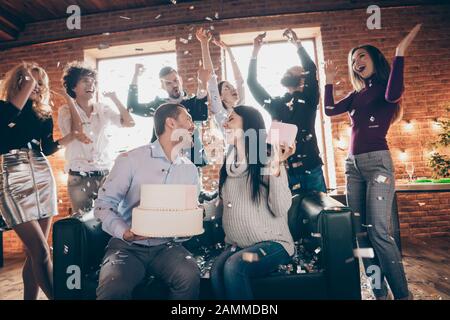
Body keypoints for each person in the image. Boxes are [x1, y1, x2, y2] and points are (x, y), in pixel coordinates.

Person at [324, 24, 422, 300]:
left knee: (379, 233)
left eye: (362, 57)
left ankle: (403, 296)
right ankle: (380, 294)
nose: (356, 63)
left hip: (378, 165)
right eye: (353, 60)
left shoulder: (384, 89)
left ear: (375, 60)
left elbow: (394, 93)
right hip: (352, 166)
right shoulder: (356, 95)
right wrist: (329, 80)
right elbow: (330, 110)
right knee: (360, 235)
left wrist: (400, 52)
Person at [94, 103, 201, 300]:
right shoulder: (131, 159)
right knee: (113, 286)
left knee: (190, 275)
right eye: (188, 119)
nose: (193, 126)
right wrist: (124, 232)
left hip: (167, 247)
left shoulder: (190, 170)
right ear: (170, 123)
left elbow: (187, 217)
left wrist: (193, 217)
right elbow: (103, 205)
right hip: (127, 247)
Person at [0, 62, 77, 299]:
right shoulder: (4, 108)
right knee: (41, 250)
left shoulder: (42, 113)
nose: (37, 86)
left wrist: (69, 138)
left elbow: (48, 147)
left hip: (43, 177)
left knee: (36, 253)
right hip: (13, 177)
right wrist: (27, 80)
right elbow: (9, 117)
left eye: (40, 82)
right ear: (19, 82)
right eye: (31, 80)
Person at [206, 105, 295, 300]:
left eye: (231, 119)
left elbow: (280, 208)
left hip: (274, 243)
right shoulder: (229, 165)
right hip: (239, 244)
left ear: (249, 126)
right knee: (216, 271)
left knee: (234, 266)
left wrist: (278, 165)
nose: (224, 123)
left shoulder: (267, 159)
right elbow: (226, 204)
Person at [248, 29, 326, 195]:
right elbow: (252, 83)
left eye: (292, 71)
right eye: (286, 71)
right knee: (289, 218)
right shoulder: (276, 104)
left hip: (312, 169)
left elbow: (311, 69)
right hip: (286, 170)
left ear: (303, 78)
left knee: (320, 216)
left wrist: (297, 45)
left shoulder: (310, 98)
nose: (287, 73)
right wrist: (255, 51)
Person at [59, 61, 135, 216]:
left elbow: (129, 123)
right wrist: (69, 101)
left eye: (93, 81)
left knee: (110, 219)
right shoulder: (65, 110)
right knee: (83, 222)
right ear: (73, 86)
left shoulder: (102, 109)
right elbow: (76, 131)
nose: (91, 85)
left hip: (105, 175)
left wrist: (115, 99)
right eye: (85, 81)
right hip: (78, 177)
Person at [127, 63, 211, 167]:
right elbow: (132, 107)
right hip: (162, 160)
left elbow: (201, 115)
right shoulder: (159, 106)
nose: (174, 85)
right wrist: (136, 75)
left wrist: (203, 83)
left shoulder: (191, 103)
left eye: (175, 80)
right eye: (168, 83)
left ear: (180, 80)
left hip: (191, 160)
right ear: (162, 86)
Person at [196, 27, 245, 134]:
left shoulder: (241, 107)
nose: (233, 89)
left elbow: (239, 81)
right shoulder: (220, 112)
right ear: (220, 97)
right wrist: (204, 44)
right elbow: (211, 80)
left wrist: (229, 51)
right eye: (227, 88)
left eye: (231, 86)